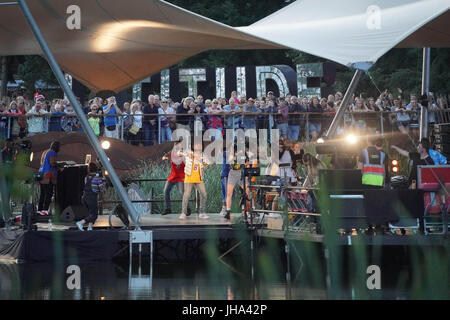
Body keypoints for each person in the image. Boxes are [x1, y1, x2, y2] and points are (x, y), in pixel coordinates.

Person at [179, 140, 209, 220]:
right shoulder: (189, 152)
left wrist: (205, 163)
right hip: (189, 177)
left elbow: (208, 163)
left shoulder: (202, 155)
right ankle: (183, 213)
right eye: (196, 145)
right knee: (186, 195)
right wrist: (188, 155)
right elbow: (179, 152)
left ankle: (202, 212)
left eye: (200, 145)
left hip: (199, 178)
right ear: (193, 146)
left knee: (204, 194)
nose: (198, 146)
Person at [76, 162, 106, 231]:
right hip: (91, 198)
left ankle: (90, 227)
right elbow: (102, 188)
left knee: (91, 214)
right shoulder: (97, 177)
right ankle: (81, 223)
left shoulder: (86, 177)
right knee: (94, 215)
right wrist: (103, 180)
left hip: (84, 198)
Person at [161, 139, 188, 215]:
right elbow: (164, 156)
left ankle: (186, 208)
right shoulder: (172, 153)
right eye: (175, 145)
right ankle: (167, 208)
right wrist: (165, 157)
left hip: (181, 177)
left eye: (178, 145)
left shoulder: (184, 155)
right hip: (172, 177)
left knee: (182, 192)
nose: (176, 146)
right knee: (165, 191)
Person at [38, 141, 60, 214]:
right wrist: (60, 165)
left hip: (42, 175)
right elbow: (52, 164)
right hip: (48, 176)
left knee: (43, 194)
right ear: (56, 147)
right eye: (59, 147)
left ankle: (40, 210)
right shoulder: (53, 153)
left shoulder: (45, 152)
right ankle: (45, 211)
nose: (59, 149)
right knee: (49, 194)